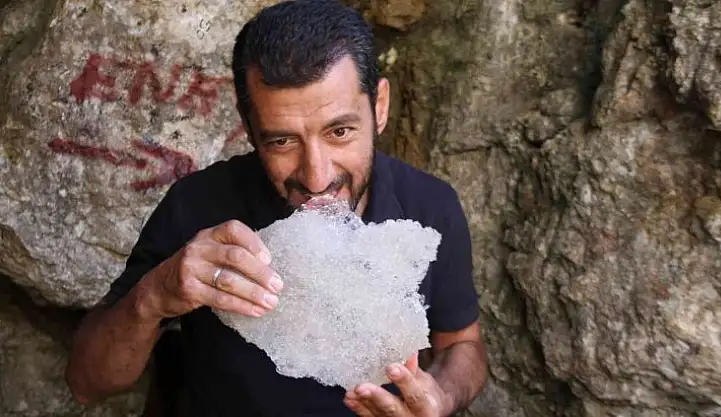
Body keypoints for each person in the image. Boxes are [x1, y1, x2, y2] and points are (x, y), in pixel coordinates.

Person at [65, 1, 488, 416]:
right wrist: (156, 295)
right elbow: (86, 384)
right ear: (249, 127)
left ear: (379, 107)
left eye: (340, 132)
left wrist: (442, 397)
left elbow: (462, 345)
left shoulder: (429, 207)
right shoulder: (199, 205)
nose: (316, 177)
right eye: (282, 142)